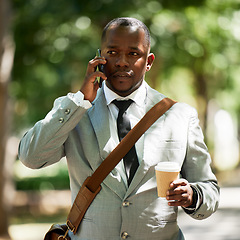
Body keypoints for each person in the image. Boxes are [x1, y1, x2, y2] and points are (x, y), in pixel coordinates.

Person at [18, 17, 220, 240]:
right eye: (113, 52)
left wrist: (192, 195)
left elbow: (209, 189)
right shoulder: (74, 111)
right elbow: (30, 158)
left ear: (149, 61)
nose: (122, 62)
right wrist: (80, 100)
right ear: (99, 57)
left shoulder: (180, 115)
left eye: (133, 53)